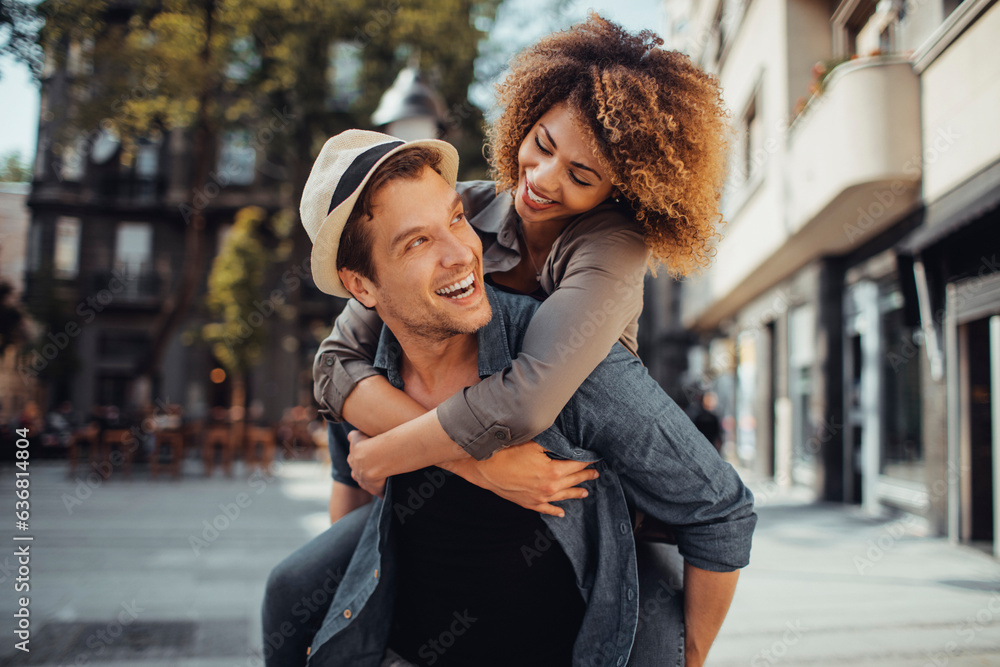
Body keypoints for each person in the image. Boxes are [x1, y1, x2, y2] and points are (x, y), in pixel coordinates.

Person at [265, 134, 754, 667]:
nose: (461, 252)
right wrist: (345, 608)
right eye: (416, 242)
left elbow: (721, 510)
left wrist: (693, 655)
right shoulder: (369, 373)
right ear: (361, 287)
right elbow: (351, 489)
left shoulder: (574, 359)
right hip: (409, 647)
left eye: (455, 220)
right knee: (288, 588)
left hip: (562, 643)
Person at [313, 14, 730, 514]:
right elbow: (335, 362)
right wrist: (479, 468)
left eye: (580, 174)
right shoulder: (458, 209)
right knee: (297, 584)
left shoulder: (614, 245)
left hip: (570, 496)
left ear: (617, 189)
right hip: (451, 477)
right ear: (526, 118)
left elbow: (525, 403)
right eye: (543, 144)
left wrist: (385, 452)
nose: (544, 180)